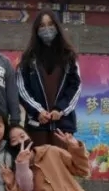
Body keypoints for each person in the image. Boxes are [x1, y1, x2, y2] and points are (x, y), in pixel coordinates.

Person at [16, 10, 81, 147]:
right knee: (37, 159)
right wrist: (38, 111)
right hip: (37, 125)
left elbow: (75, 87)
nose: (47, 29)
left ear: (57, 27)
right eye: (42, 25)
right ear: (36, 30)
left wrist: (60, 110)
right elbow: (22, 89)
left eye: (50, 24)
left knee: (62, 160)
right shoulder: (28, 58)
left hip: (63, 126)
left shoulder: (68, 56)